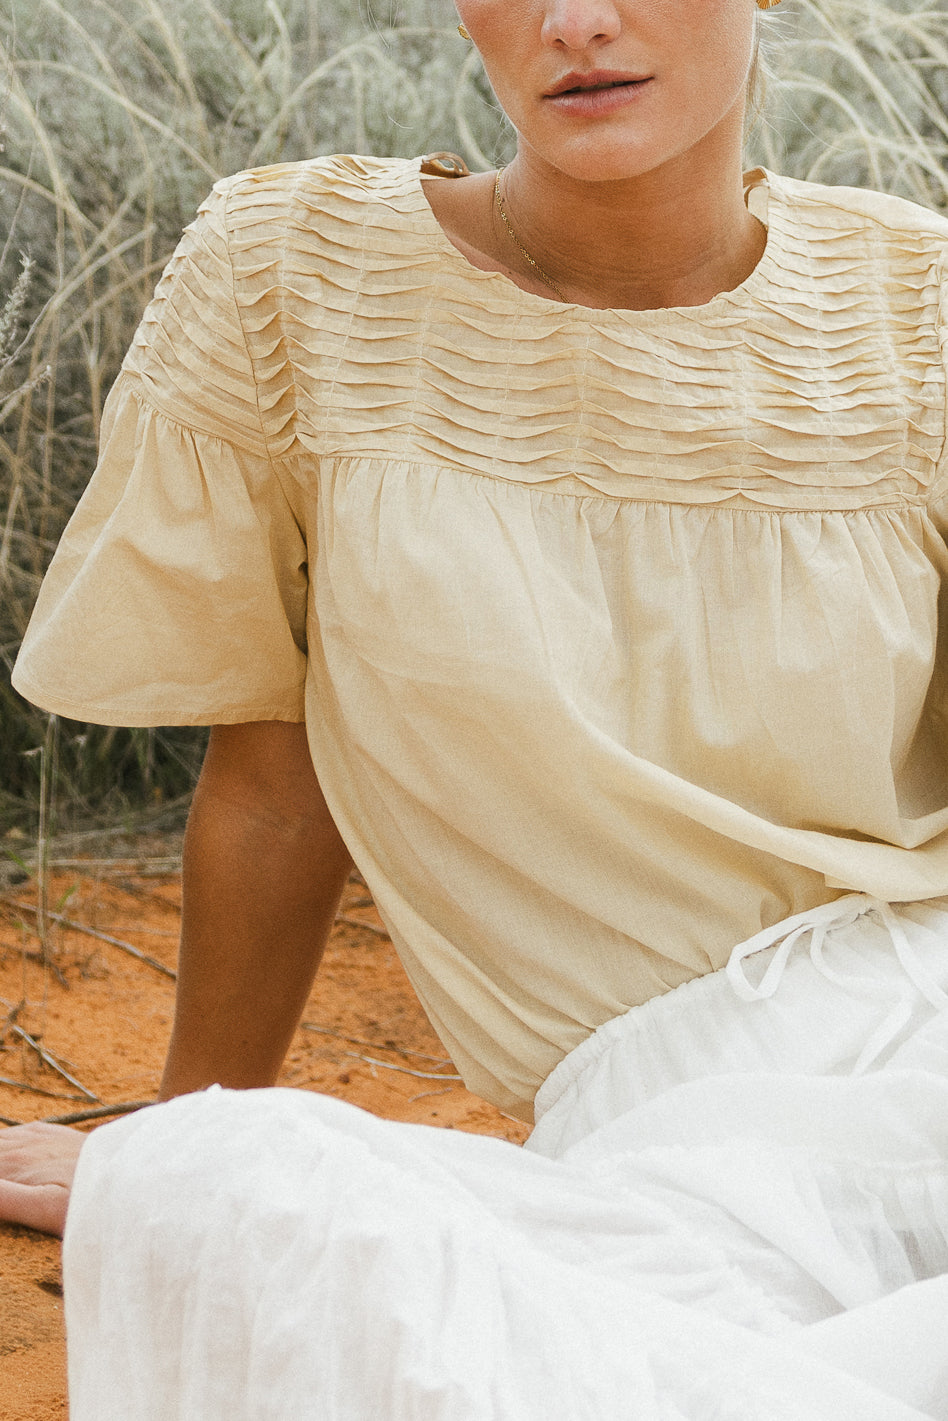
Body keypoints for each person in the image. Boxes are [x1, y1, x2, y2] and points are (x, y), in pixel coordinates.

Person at [3, 0, 948, 1414]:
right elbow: (275, 783)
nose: (578, 20)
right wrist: (194, 1162)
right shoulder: (292, 273)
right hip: (657, 1136)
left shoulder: (918, 303)